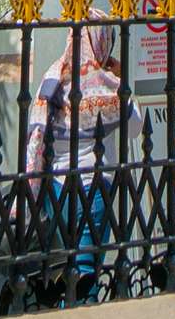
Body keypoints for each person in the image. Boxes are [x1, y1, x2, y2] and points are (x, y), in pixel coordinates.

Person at [22, 24, 140, 302]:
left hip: (56, 186)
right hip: (93, 187)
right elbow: (136, 127)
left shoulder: (53, 76)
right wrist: (121, 78)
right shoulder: (106, 85)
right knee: (86, 273)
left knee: (72, 265)